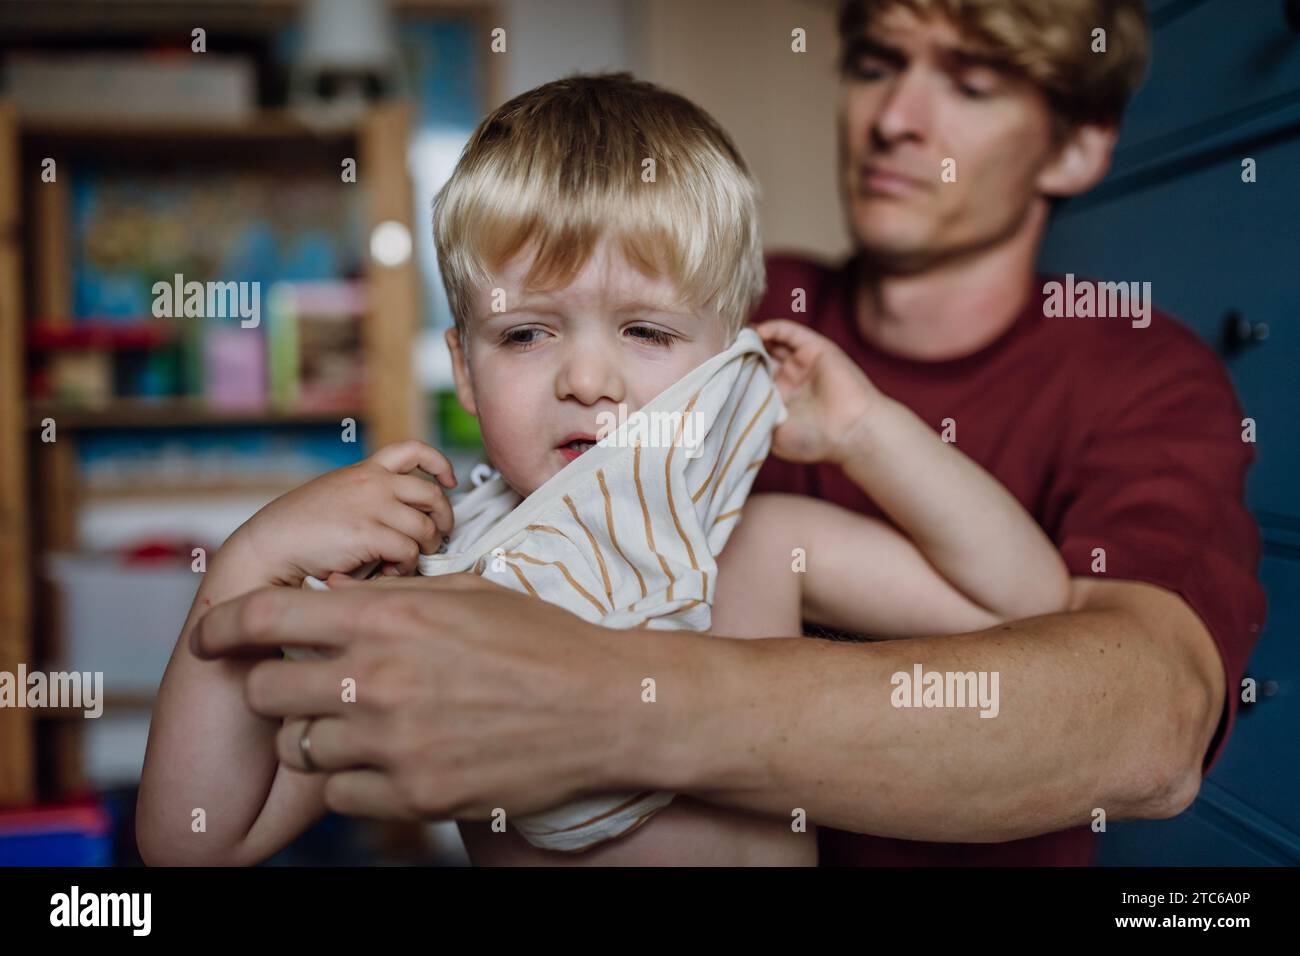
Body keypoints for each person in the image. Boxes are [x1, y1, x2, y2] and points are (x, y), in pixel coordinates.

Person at [172, 0, 1265, 866]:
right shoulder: (434, 570)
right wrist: (251, 561)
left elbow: (1034, 610)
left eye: (646, 331)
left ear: (731, 360)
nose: (588, 377)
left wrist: (871, 433)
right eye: (523, 334)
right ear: (461, 363)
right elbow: (195, 838)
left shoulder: (761, 538)